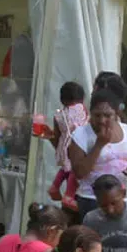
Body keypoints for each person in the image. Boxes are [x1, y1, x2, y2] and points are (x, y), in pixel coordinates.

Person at [68, 89, 127, 216]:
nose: (102, 120)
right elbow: (79, 173)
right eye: (97, 115)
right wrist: (99, 145)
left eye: (108, 115)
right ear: (90, 113)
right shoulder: (81, 135)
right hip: (92, 199)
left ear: (117, 114)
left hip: (126, 199)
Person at [46, 81, 88, 216]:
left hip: (63, 146)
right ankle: (69, 195)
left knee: (65, 169)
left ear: (62, 99)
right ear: (82, 98)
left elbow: (56, 137)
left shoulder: (58, 115)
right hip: (76, 144)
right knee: (74, 170)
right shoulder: (82, 108)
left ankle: (55, 186)